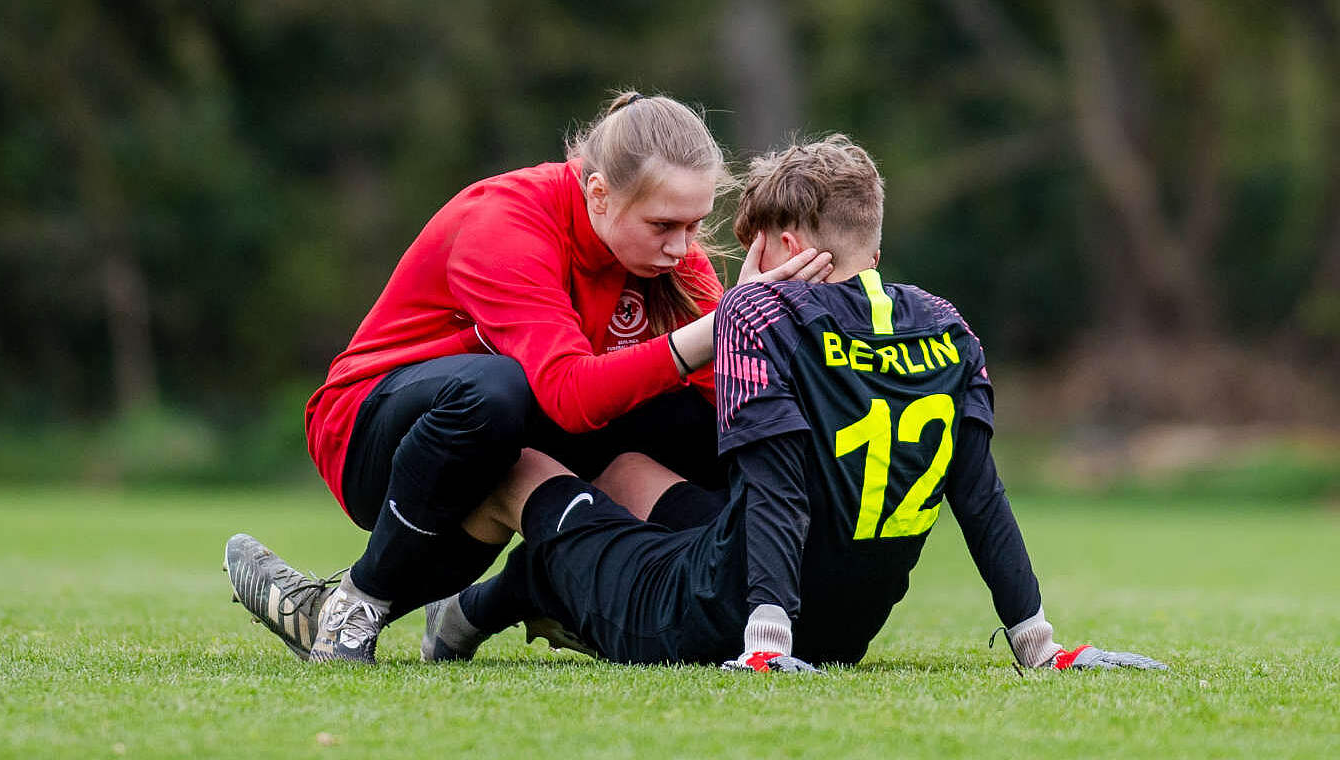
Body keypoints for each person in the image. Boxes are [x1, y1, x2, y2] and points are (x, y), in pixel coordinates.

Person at [425, 134, 1167, 672]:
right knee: (623, 472)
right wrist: (1037, 642)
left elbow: (775, 486)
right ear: (870, 247)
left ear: (779, 246)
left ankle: (458, 617)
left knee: (524, 470)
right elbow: (980, 497)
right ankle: (493, 606)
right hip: (845, 629)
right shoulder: (948, 324)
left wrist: (765, 644)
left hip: (721, 617)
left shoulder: (757, 317)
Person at [222, 91, 833, 664]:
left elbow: (722, 403)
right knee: (495, 393)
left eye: (695, 226)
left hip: (515, 432)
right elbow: (567, 395)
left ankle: (527, 594)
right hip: (374, 433)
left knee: (712, 422)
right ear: (597, 193)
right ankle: (355, 604)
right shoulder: (506, 222)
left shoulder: (666, 257)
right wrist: (718, 328)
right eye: (663, 226)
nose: (683, 246)